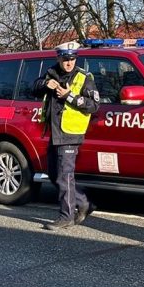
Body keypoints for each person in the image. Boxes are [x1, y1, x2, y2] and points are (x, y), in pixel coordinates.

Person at [33, 42, 99, 230]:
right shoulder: (51, 73)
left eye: (72, 59)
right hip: (55, 134)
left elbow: (94, 105)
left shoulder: (83, 77)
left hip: (70, 133)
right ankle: (84, 202)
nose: (69, 62)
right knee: (54, 175)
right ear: (58, 58)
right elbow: (34, 88)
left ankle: (66, 216)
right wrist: (46, 84)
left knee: (65, 176)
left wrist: (69, 96)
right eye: (65, 59)